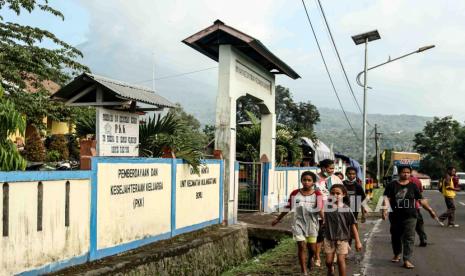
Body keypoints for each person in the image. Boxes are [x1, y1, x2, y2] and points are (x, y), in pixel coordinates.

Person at [382, 165, 438, 269]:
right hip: (395, 216)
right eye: (403, 172)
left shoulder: (413, 186)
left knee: (409, 237)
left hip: (411, 216)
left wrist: (430, 210)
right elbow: (387, 198)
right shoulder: (392, 185)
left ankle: (407, 259)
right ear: (399, 173)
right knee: (396, 236)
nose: (406, 174)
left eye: (408, 172)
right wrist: (384, 209)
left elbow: (421, 200)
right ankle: (397, 253)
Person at [272, 171, 324, 275]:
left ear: (313, 182)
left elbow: (320, 208)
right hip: (298, 223)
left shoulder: (317, 194)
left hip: (312, 223)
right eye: (304, 180)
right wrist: (278, 219)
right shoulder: (295, 193)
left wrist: (325, 220)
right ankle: (304, 271)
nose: (306, 182)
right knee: (301, 245)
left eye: (309, 180)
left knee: (312, 248)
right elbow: (289, 207)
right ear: (301, 181)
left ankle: (311, 258)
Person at [324, 184, 362, 276]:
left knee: (341, 261)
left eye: (338, 193)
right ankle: (330, 269)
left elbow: (353, 225)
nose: (335, 195)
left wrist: (358, 241)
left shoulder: (346, 209)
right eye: (332, 193)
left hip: (342, 239)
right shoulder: (327, 208)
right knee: (328, 262)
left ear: (343, 195)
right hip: (329, 239)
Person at [313, 159, 343, 267]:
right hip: (317, 211)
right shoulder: (314, 178)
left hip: (333, 210)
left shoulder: (336, 179)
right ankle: (317, 257)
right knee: (319, 234)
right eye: (330, 168)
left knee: (333, 233)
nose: (332, 170)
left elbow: (342, 194)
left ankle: (333, 254)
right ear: (323, 168)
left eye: (333, 168)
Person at [343, 166, 367, 247]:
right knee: (342, 229)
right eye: (349, 174)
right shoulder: (342, 184)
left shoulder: (358, 186)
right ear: (346, 174)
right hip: (342, 211)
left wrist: (363, 214)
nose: (351, 175)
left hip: (354, 212)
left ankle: (347, 247)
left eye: (353, 174)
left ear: (356, 175)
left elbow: (362, 201)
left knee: (350, 231)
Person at [409, 175, 427, 246]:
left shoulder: (399, 181)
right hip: (415, 206)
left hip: (402, 207)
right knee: (419, 224)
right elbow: (420, 195)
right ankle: (423, 238)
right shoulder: (417, 180)